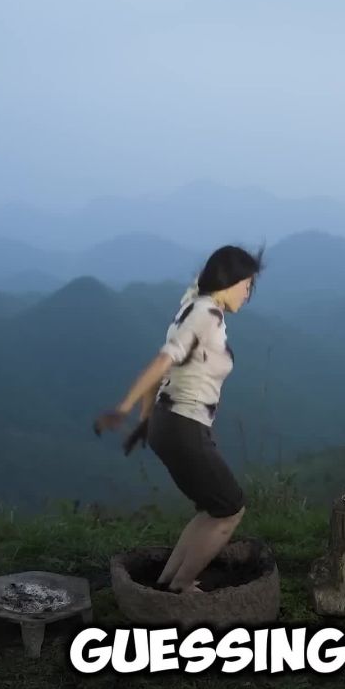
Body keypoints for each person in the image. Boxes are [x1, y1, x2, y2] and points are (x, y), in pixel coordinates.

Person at [93, 244, 265, 593]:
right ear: (230, 281)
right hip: (183, 427)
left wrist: (146, 418)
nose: (248, 294)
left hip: (168, 423)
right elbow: (162, 361)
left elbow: (167, 368)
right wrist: (125, 407)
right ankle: (181, 588)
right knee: (230, 509)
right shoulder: (205, 314)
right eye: (247, 285)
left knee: (211, 507)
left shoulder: (195, 303)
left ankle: (168, 583)